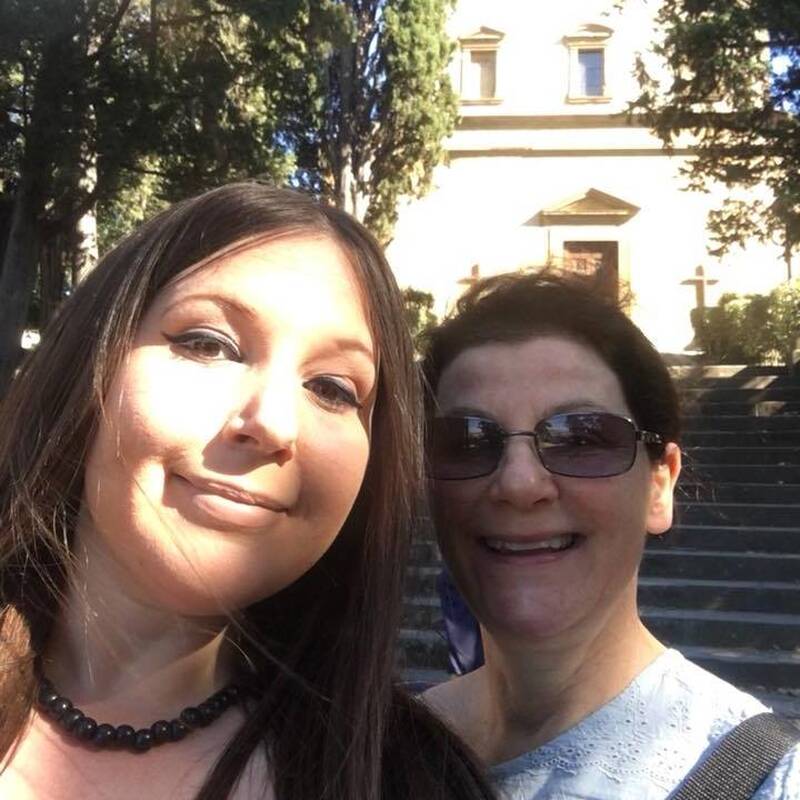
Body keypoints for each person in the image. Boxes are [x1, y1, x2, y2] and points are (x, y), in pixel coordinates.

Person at [0, 183, 495, 800]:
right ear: (87, 364)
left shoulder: (419, 782)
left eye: (333, 389)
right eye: (209, 344)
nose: (273, 424)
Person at [420, 271, 800, 799]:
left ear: (659, 486)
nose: (519, 484)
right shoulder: (365, 748)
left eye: (581, 438)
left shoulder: (769, 780)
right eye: (467, 440)